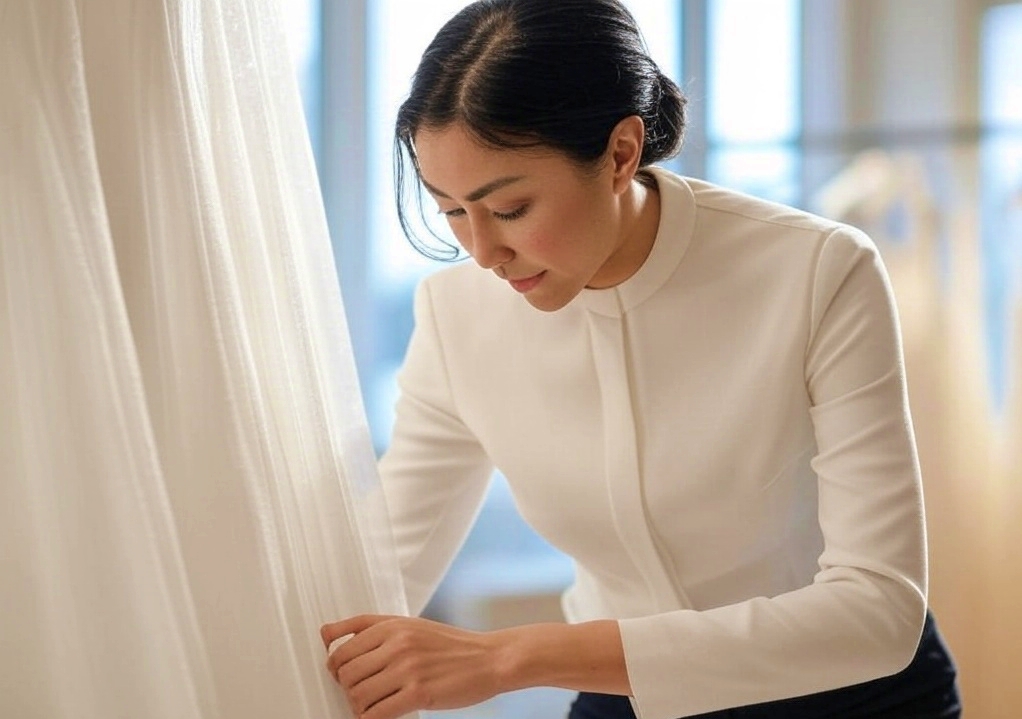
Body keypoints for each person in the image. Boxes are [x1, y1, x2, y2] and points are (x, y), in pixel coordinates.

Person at [320, 1, 961, 717]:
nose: (482, 252)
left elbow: (878, 609)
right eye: (450, 211)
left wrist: (507, 657)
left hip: (849, 698)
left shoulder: (816, 271)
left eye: (509, 210)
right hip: (620, 702)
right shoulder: (455, 314)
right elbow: (384, 566)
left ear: (621, 153)